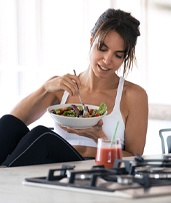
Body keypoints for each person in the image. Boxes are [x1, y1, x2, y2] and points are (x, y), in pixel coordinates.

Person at [0, 8, 148, 167]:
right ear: (91, 41)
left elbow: (134, 157)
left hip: (93, 167)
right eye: (102, 48)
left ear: (124, 57)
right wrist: (45, 88)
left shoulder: (133, 95)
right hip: (52, 165)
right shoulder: (62, 86)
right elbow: (13, 124)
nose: (107, 60)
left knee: (43, 136)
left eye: (117, 55)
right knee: (9, 123)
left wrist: (95, 141)